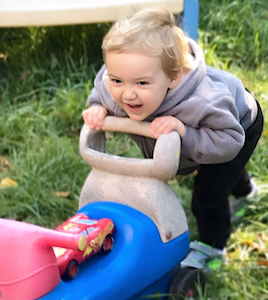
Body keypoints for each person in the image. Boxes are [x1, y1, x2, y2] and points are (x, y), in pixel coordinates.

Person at [81, 9, 264, 271]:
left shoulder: (203, 102)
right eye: (117, 80)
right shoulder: (118, 80)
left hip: (236, 127)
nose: (127, 94)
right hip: (215, 131)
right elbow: (102, 85)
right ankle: (246, 190)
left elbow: (229, 141)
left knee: (210, 190)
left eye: (142, 83)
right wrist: (98, 105)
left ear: (173, 76)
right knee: (224, 173)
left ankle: (212, 248)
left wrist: (186, 133)